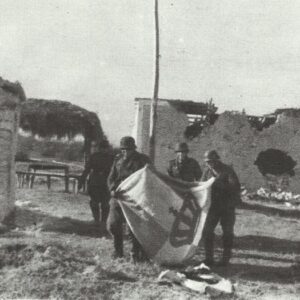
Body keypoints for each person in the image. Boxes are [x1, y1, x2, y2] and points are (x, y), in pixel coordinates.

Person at [107, 136, 151, 262]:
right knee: (112, 224)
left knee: (133, 228)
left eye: (127, 149)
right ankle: (118, 251)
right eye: (123, 149)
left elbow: (149, 177)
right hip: (118, 196)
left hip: (135, 197)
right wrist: (111, 189)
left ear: (133, 149)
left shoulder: (143, 160)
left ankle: (135, 253)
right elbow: (111, 177)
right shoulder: (118, 160)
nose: (124, 152)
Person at [201, 150, 241, 267]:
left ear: (217, 160)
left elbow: (235, 186)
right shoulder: (207, 171)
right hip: (213, 207)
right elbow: (202, 185)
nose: (210, 164)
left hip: (226, 207)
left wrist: (217, 183)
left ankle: (225, 259)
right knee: (207, 231)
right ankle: (209, 259)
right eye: (207, 162)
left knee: (227, 233)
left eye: (212, 161)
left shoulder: (227, 170)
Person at [78, 140, 113, 225]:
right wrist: (81, 181)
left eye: (105, 148)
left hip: (106, 183)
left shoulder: (112, 158)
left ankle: (104, 221)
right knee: (94, 203)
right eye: (102, 148)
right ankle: (96, 220)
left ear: (108, 148)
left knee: (105, 204)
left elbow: (115, 172)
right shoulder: (94, 157)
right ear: (99, 148)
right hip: (95, 183)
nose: (104, 150)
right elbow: (87, 170)